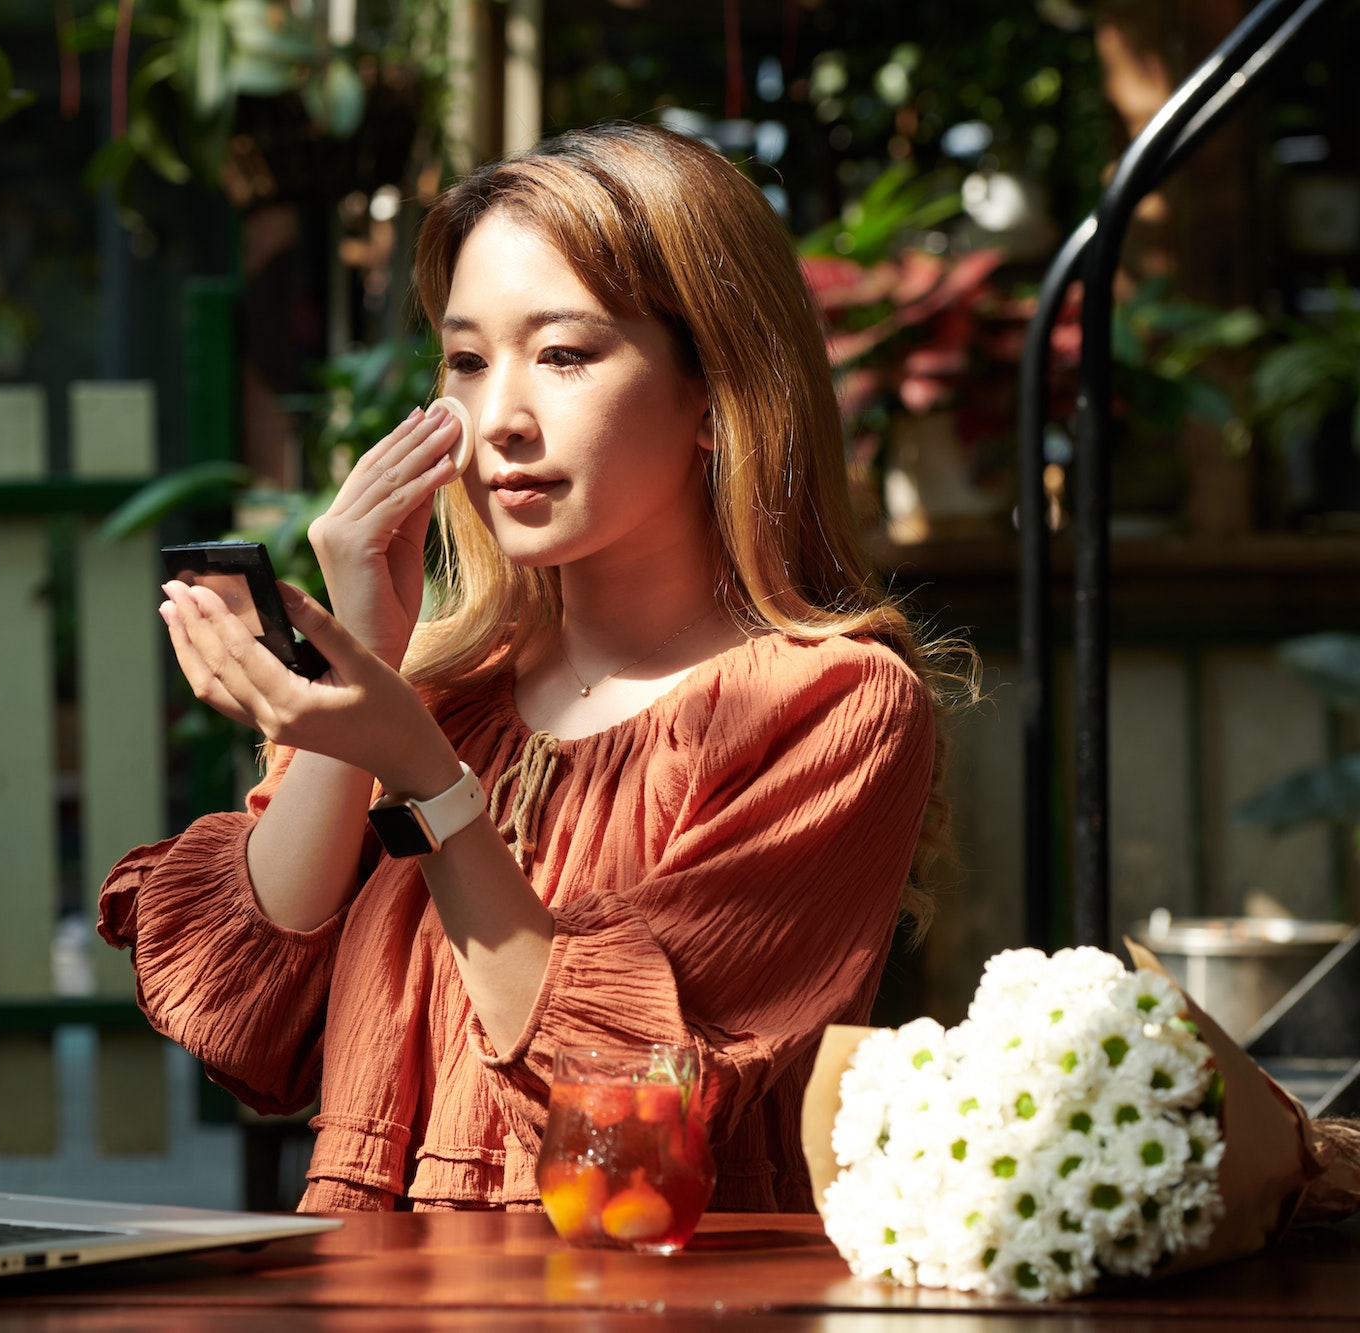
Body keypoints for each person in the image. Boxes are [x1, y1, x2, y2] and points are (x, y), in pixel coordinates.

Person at [99, 122, 964, 1213]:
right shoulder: (436, 692)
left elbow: (619, 1112)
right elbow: (254, 1002)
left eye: (562, 354)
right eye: (466, 360)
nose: (497, 418)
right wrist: (366, 652)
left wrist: (428, 781)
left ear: (714, 391)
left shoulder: (829, 707)